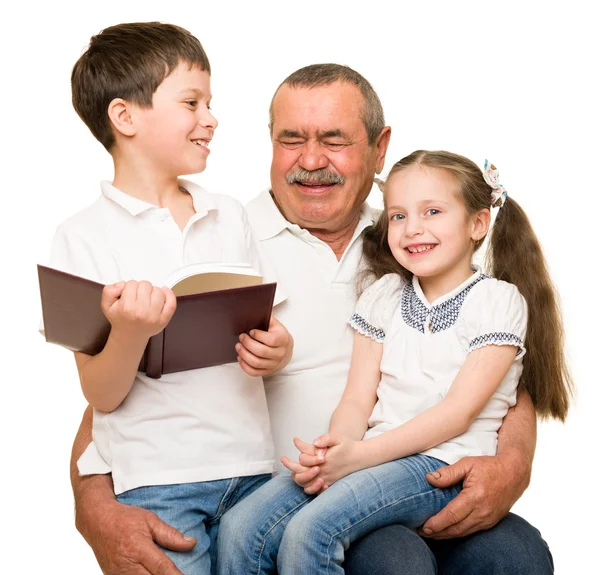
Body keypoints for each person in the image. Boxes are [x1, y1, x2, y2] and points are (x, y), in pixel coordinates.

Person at [69, 64, 555, 574]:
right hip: (291, 490)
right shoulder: (222, 236)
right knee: (392, 559)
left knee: (514, 555)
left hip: (422, 470)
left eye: (334, 139)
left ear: (379, 147)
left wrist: (513, 460)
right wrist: (96, 508)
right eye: (291, 139)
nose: (311, 160)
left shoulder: (417, 234)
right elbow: (120, 386)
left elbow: (502, 374)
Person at [217, 150, 572, 574]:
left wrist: (359, 458)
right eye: (398, 216)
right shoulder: (384, 296)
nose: (412, 229)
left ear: (478, 224)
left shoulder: (496, 302)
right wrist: (337, 448)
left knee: (313, 530)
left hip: (441, 463)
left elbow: (457, 414)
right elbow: (357, 398)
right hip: (375, 457)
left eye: (433, 212)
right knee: (241, 527)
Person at [48, 22, 293, 574]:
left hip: (253, 469)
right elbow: (102, 393)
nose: (210, 118)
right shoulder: (81, 237)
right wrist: (132, 329)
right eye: (191, 102)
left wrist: (276, 348)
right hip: (157, 483)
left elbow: (271, 326)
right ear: (125, 116)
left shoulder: (228, 214)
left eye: (210, 101)